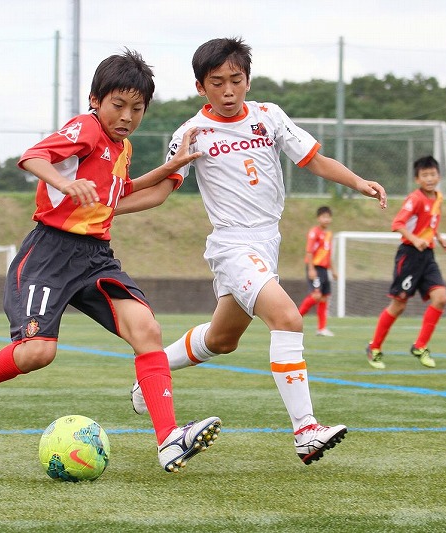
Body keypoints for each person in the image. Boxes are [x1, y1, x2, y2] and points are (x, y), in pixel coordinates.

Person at [0, 50, 223, 474]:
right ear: (95, 100)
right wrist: (66, 183)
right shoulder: (85, 128)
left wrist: (171, 168)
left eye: (136, 109)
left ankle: (169, 441)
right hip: (49, 253)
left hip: (95, 258)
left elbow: (120, 193)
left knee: (147, 329)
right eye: (117, 105)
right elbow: (32, 157)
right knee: (37, 354)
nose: (126, 116)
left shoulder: (122, 148)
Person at [117, 37, 387, 466]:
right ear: (199, 87)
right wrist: (110, 207)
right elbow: (163, 189)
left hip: (268, 242)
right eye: (217, 82)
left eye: (235, 80)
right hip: (231, 244)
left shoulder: (269, 116)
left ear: (247, 79)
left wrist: (359, 183)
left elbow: (314, 160)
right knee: (287, 318)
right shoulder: (191, 132)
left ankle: (153, 368)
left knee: (223, 340)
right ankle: (305, 431)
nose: (228, 91)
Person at [366, 155, 446, 370]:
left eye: (433, 174)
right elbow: (398, 223)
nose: (430, 178)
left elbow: (430, 222)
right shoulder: (415, 199)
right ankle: (374, 347)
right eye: (425, 175)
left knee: (440, 298)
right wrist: (415, 239)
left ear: (439, 176)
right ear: (417, 179)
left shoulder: (438, 198)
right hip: (410, 255)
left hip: (428, 256)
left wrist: (439, 238)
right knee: (399, 305)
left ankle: (420, 346)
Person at [297, 205, 337, 337]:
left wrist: (333, 270)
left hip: (325, 269)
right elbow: (309, 251)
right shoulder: (314, 232)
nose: (326, 219)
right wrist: (311, 269)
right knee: (316, 295)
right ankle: (295, 318)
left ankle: (321, 328)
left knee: (324, 297)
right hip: (315, 267)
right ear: (318, 218)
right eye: (324, 217)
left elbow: (328, 254)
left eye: (328, 217)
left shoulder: (329, 235)